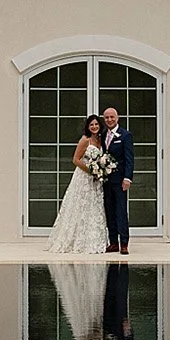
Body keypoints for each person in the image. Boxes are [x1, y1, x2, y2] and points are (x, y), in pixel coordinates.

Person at [45, 114, 112, 254]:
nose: (94, 127)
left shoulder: (101, 140)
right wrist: (91, 170)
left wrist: (100, 169)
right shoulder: (85, 140)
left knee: (94, 207)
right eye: (91, 125)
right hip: (83, 177)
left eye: (96, 124)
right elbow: (75, 160)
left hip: (96, 179)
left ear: (100, 126)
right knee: (80, 206)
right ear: (88, 127)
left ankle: (94, 240)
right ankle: (76, 239)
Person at [100, 105, 135, 254]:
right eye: (106, 117)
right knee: (109, 211)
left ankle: (124, 243)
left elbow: (129, 158)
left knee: (121, 211)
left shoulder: (125, 135)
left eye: (112, 117)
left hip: (120, 180)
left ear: (117, 118)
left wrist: (127, 178)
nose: (109, 120)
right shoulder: (102, 135)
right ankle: (113, 242)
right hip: (106, 181)